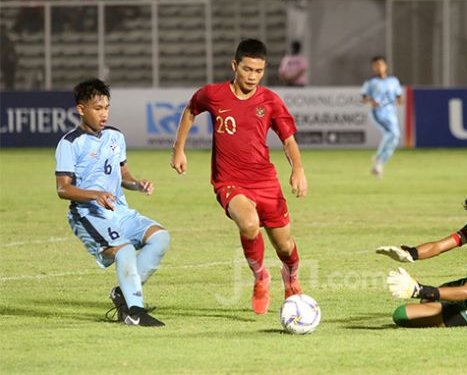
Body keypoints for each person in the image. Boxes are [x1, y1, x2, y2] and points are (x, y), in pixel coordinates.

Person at [171, 39, 307, 315]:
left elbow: (288, 140)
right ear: (235, 66)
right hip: (229, 181)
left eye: (258, 71)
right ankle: (260, 277)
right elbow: (190, 110)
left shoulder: (270, 101)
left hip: (266, 182)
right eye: (247, 69)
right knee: (248, 223)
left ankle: (290, 278)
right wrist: (179, 149)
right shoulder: (213, 94)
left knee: (285, 246)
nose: (253, 76)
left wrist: (298, 169)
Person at [55, 78, 169, 327]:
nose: (104, 113)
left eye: (106, 107)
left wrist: (138, 184)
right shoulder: (70, 143)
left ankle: (123, 293)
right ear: (81, 109)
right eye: (98, 108)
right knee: (124, 249)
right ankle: (134, 311)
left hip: (119, 210)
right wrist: (95, 194)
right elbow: (63, 188)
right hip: (89, 215)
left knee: (161, 238)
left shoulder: (116, 136)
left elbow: (123, 174)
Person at [376, 189, 467, 328]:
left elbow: (466, 291)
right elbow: (439, 246)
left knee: (401, 315)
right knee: (428, 300)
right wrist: (411, 253)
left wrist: (419, 290)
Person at [360, 56, 402, 178]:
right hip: (378, 112)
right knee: (393, 134)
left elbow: (399, 96)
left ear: (385, 66)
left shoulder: (394, 81)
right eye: (376, 65)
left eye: (380, 64)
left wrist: (399, 99)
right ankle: (379, 159)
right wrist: (371, 101)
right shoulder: (371, 82)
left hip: (391, 113)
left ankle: (379, 162)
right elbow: (363, 97)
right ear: (373, 68)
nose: (379, 67)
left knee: (394, 137)